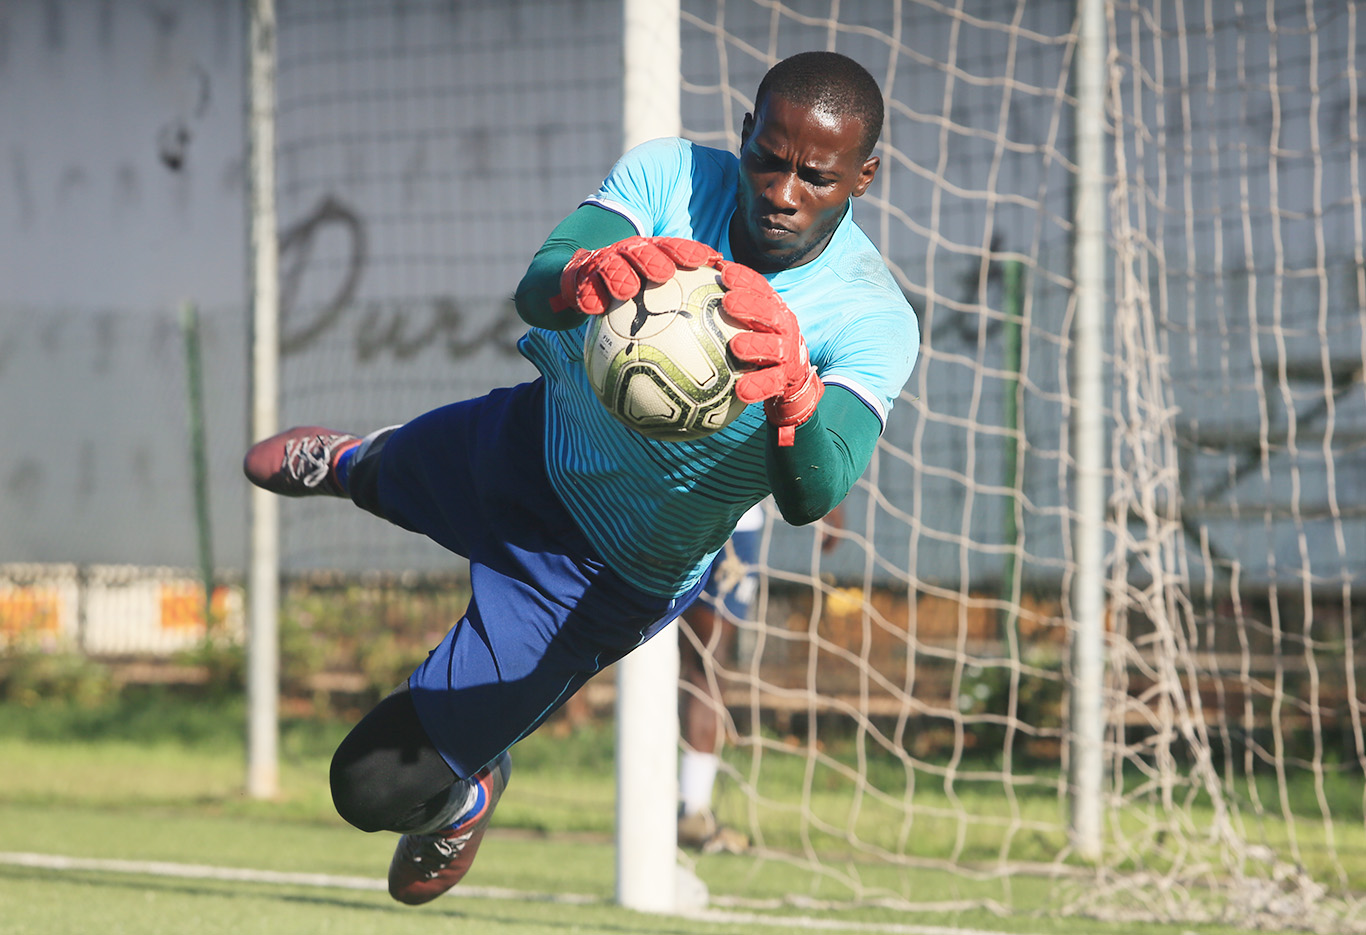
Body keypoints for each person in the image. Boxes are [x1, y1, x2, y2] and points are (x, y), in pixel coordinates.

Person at [244, 50, 918, 906]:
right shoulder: (672, 175)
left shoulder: (872, 315)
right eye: (767, 158)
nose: (782, 191)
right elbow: (536, 287)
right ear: (743, 134)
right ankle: (353, 459)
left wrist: (794, 393)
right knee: (384, 471)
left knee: (367, 785)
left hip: (599, 574)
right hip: (530, 442)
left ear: (864, 174)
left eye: (816, 176)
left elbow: (812, 493)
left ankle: (465, 794)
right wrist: (584, 274)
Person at [675, 502, 843, 852]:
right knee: (696, 659)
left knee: (705, 660)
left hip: (729, 519)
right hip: (667, 505)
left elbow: (787, 442)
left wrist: (827, 493)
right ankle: (680, 805)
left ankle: (689, 806)